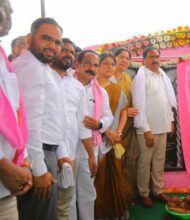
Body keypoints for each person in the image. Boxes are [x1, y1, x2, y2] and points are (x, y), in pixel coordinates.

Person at [14, 17, 65, 220]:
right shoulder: (31, 68)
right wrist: (40, 169)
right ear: (29, 38)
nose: (52, 46)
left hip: (44, 154)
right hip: (38, 156)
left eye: (57, 42)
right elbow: (30, 125)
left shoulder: (39, 66)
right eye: (46, 39)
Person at [50, 38, 95, 220]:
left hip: (70, 155)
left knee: (67, 202)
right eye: (64, 49)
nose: (68, 54)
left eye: (71, 51)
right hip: (47, 154)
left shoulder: (77, 87)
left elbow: (82, 125)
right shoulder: (44, 78)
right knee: (48, 206)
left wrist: (91, 155)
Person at [70, 50, 113, 220]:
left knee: (88, 192)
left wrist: (99, 124)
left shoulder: (100, 92)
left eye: (95, 65)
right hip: (69, 147)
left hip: (91, 149)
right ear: (77, 64)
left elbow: (108, 115)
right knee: (69, 194)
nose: (92, 68)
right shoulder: (67, 86)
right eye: (87, 63)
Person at [133, 47, 177, 207]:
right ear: (143, 60)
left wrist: (170, 121)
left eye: (157, 56)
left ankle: (158, 190)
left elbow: (167, 101)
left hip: (162, 126)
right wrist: (146, 130)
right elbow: (138, 104)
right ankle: (143, 193)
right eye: (151, 57)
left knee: (159, 160)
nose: (155, 59)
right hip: (147, 130)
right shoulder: (141, 76)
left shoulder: (161, 75)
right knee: (145, 162)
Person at [0, 1, 32, 219]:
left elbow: (16, 115)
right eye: (5, 9)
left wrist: (24, 161)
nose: (9, 14)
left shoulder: (3, 60)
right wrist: (5, 168)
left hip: (8, 183)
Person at [94, 52, 130, 219]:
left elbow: (123, 112)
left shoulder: (117, 89)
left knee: (115, 177)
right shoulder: (91, 87)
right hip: (95, 141)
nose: (110, 67)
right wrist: (107, 132)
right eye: (106, 63)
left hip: (114, 140)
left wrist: (119, 132)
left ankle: (116, 212)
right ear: (98, 66)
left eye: (112, 64)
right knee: (97, 181)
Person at [111, 47, 139, 203]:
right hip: (114, 128)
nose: (124, 61)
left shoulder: (128, 78)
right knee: (115, 162)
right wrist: (124, 112)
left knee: (129, 160)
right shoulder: (109, 78)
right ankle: (116, 196)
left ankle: (127, 196)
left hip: (129, 128)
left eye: (127, 58)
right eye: (121, 57)